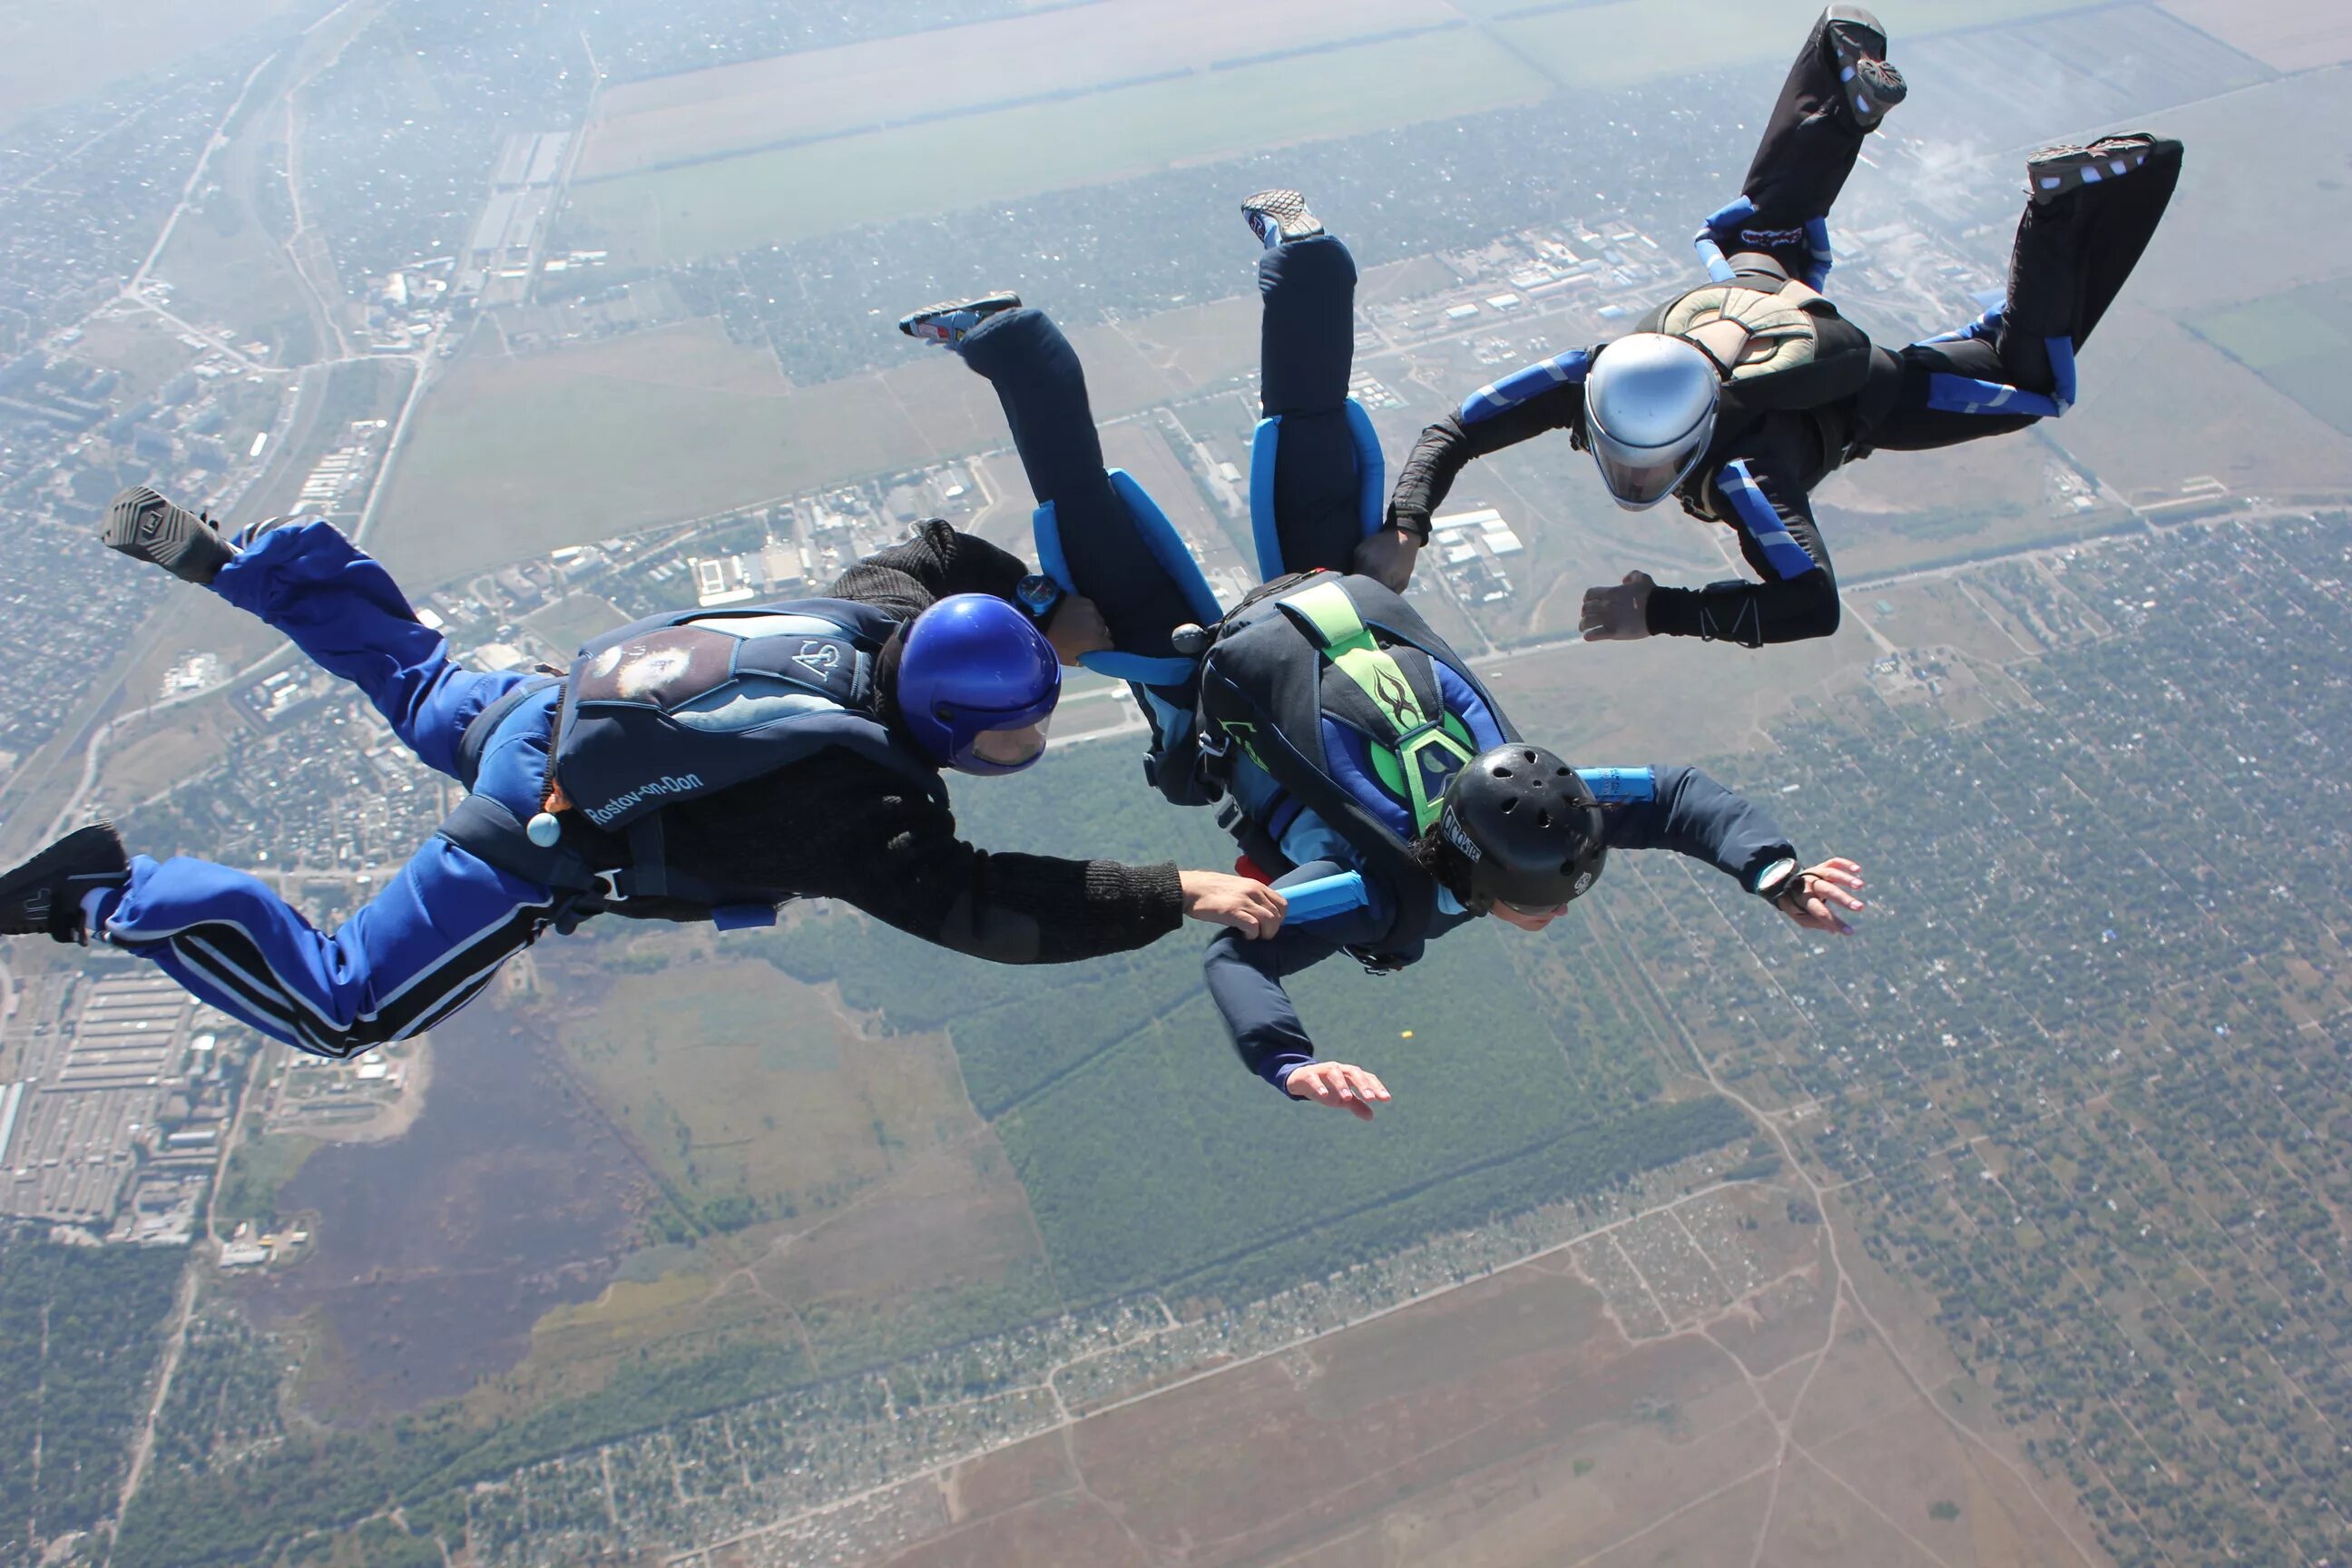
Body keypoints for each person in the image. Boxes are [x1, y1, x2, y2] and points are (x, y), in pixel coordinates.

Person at [902, 196, 1865, 1120]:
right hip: (1216, 672)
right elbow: (1239, 959)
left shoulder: (1548, 804)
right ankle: (1013, 344)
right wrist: (1289, 1064)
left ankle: (1308, 259)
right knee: (1099, 550)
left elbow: (1675, 800)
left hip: (1348, 594)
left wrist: (1773, 871)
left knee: (1308, 430)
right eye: (1544, 897)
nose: (1559, 910)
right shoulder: (1378, 894)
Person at [0, 488, 1285, 1059]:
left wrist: (1046, 607)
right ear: (953, 735)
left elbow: (940, 547)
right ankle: (116, 892)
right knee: (346, 1009)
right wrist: (1172, 889)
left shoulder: (875, 612)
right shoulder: (865, 814)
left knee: (407, 673)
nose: (1031, 746)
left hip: (534, 711)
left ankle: (249, 568)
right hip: (537, 827)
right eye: (1021, 733)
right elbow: (998, 911)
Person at [1387, 5, 2183, 651]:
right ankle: (1843, 80)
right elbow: (1455, 429)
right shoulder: (1596, 374)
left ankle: (2061, 213)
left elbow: (1813, 606)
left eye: (1645, 470)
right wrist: (1406, 528)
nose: (1635, 487)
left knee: (2030, 383)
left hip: (1864, 386)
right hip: (1747, 312)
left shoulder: (1741, 474)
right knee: (1766, 238)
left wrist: (1658, 611)